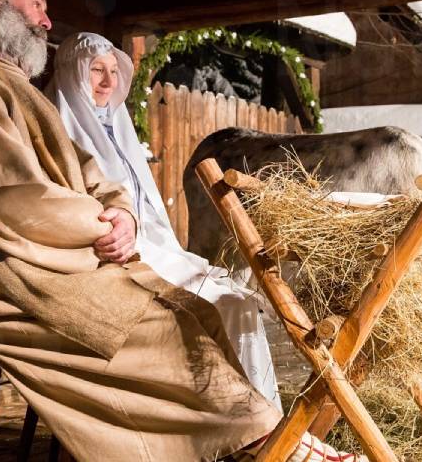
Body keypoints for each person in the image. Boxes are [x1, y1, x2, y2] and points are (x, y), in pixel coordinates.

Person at [0, 0, 365, 461]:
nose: (48, 22)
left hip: (49, 258)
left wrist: (124, 215)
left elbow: (92, 174)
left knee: (198, 309)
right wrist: (102, 225)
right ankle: (261, 444)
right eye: (37, 4)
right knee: (154, 327)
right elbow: (10, 201)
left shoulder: (11, 86)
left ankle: (242, 442)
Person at [45, 31, 280, 407]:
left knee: (240, 299)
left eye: (112, 71)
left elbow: (145, 209)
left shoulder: (116, 128)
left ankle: (254, 416)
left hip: (153, 250)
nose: (108, 81)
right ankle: (230, 418)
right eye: (96, 70)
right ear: (73, 73)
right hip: (115, 263)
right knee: (224, 305)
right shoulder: (59, 130)